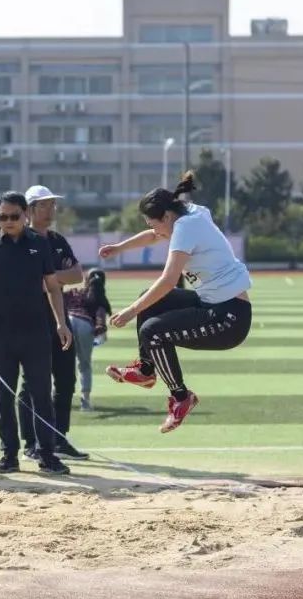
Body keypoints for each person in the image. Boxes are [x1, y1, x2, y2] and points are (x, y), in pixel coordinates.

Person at [101, 172, 252, 433]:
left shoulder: (185, 227)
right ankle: (146, 370)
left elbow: (169, 280)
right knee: (147, 300)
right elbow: (154, 235)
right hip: (212, 303)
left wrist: (130, 312)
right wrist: (119, 248)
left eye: (154, 223)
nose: (154, 230)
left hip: (229, 319)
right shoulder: (187, 213)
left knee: (153, 331)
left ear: (167, 217)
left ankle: (182, 397)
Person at [0, 191, 73, 475]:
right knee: (4, 396)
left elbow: (52, 286)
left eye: (14, 216)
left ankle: (47, 455)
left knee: (41, 394)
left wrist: (61, 323)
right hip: (0, 334)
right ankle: (9, 454)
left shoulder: (40, 245)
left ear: (25, 214)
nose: (9, 221)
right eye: (3, 217)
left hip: (36, 332)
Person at [17, 185, 89, 461]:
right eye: (44, 205)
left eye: (52, 205)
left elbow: (77, 275)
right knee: (32, 383)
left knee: (66, 379)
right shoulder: (22, 240)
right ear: (30, 210)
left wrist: (50, 277)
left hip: (59, 318)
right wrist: (54, 278)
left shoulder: (58, 240)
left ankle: (59, 437)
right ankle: (31, 441)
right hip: (31, 318)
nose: (50, 210)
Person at [65, 268, 112, 411]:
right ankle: (85, 402)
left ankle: (59, 397)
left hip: (68, 322)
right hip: (85, 325)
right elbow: (100, 321)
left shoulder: (74, 292)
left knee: (64, 364)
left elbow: (56, 298)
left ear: (86, 279)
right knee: (84, 365)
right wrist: (100, 332)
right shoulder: (99, 298)